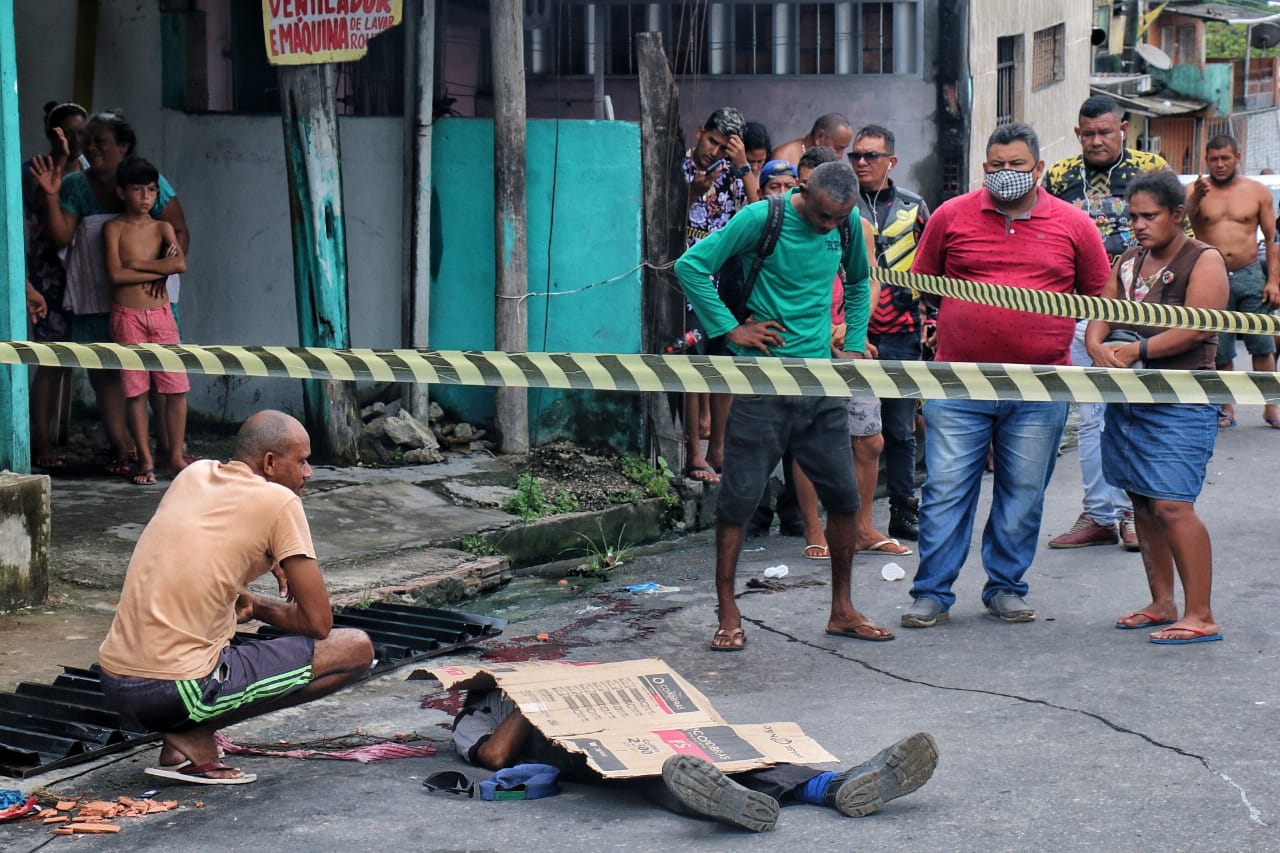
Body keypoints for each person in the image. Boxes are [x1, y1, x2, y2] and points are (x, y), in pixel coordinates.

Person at [901, 122, 1110, 629]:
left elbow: (1099, 294)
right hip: (958, 381)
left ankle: (1006, 587)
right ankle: (932, 592)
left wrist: (1094, 345)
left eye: (1017, 165)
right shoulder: (951, 215)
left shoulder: (1073, 223)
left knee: (1023, 492)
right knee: (946, 489)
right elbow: (924, 283)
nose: (1006, 173)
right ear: (984, 168)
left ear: (1038, 168)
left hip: (1041, 385)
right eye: (996, 165)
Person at [676, 161, 893, 649]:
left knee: (844, 499)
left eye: (838, 218)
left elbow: (860, 283)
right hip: (763, 384)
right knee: (738, 501)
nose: (829, 226)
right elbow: (691, 266)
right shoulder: (762, 218)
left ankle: (842, 610)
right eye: (822, 216)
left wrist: (853, 344)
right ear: (803, 189)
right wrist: (730, 329)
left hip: (821, 386)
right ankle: (728, 612)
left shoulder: (848, 224)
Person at [97, 410, 375, 784]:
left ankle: (175, 744)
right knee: (355, 649)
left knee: (211, 637)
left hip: (114, 681)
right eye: (302, 461)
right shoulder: (280, 501)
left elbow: (206, 544)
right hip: (173, 691)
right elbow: (317, 623)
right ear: (270, 463)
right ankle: (194, 734)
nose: (309, 472)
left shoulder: (194, 474)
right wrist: (258, 605)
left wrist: (271, 557)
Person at [451, 687, 938, 833]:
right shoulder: (474, 713)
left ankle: (836, 786)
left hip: (631, 725)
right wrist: (528, 703)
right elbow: (494, 754)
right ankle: (731, 804)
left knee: (725, 751)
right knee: (657, 773)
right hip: (579, 751)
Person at [1084, 170, 1228, 644]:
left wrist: (1136, 351)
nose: (1139, 225)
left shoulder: (1203, 259)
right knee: (1143, 501)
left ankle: (1201, 614)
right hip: (1129, 399)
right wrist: (1096, 344)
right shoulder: (1130, 260)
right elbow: (1102, 311)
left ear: (1178, 214)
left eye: (1149, 216)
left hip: (1181, 400)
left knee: (1172, 504)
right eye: (1133, 217)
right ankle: (1162, 603)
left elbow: (1198, 327)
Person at [1042, 94, 1175, 552]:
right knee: (1091, 417)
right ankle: (1100, 513)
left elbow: (1180, 238)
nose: (1096, 140)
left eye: (1105, 132)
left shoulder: (1151, 169)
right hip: (1077, 313)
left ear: (1123, 129)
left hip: (1137, 313)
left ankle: (1134, 512)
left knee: (1130, 413)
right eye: (1087, 133)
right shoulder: (1059, 176)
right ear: (1077, 134)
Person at [29, 110, 191, 477]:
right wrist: (52, 197)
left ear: (124, 146)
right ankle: (124, 449)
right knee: (109, 375)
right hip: (96, 299)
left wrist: (162, 273)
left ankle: (170, 450)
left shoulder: (148, 181)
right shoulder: (75, 186)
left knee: (164, 376)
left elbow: (179, 231)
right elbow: (60, 237)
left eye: (100, 141)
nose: (91, 147)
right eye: (88, 141)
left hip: (151, 300)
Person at [851, 124, 931, 542]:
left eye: (871, 156)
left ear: (891, 161)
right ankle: (844, 514)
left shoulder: (914, 207)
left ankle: (903, 509)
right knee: (849, 428)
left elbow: (935, 266)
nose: (862, 163)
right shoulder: (842, 204)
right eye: (856, 156)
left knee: (900, 428)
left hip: (903, 331)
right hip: (852, 331)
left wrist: (934, 321)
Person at [680, 107, 759, 486]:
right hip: (690, 281)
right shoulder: (679, 168)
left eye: (722, 147)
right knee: (691, 364)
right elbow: (661, 215)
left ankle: (718, 450)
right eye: (711, 141)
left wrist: (742, 165)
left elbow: (759, 212)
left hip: (726, 282)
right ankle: (693, 451)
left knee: (723, 364)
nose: (713, 151)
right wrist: (691, 193)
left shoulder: (733, 174)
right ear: (700, 131)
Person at [103, 157, 189, 485]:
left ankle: (175, 456)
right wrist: (159, 268)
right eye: (138, 190)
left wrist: (138, 265)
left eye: (151, 190)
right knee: (136, 391)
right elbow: (115, 275)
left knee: (176, 387)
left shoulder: (162, 228)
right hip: (128, 317)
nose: (145, 197)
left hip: (162, 315)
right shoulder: (114, 228)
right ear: (121, 192)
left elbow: (179, 265)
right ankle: (146, 460)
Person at [1185, 135, 1280, 429]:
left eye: (1225, 158)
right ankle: (1227, 408)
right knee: (1221, 348)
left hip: (1250, 273)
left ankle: (1271, 407)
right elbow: (1180, 225)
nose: (1219, 164)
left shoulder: (1257, 191)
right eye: (1213, 159)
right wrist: (1194, 200)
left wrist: (1274, 281)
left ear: (1237, 157)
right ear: (1206, 160)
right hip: (1211, 274)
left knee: (1262, 344)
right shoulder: (1194, 191)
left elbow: (1272, 240)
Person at [22, 101, 88, 469]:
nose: (76, 140)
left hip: (84, 275)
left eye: (81, 133)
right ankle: (40, 440)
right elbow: (39, 199)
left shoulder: (91, 170)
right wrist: (60, 159)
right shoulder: (36, 168)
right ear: (53, 135)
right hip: (48, 276)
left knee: (77, 357)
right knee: (51, 359)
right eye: (68, 134)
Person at [771, 113, 853, 165]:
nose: (840, 156)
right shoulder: (784, 158)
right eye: (838, 148)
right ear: (820, 137)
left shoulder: (827, 162)